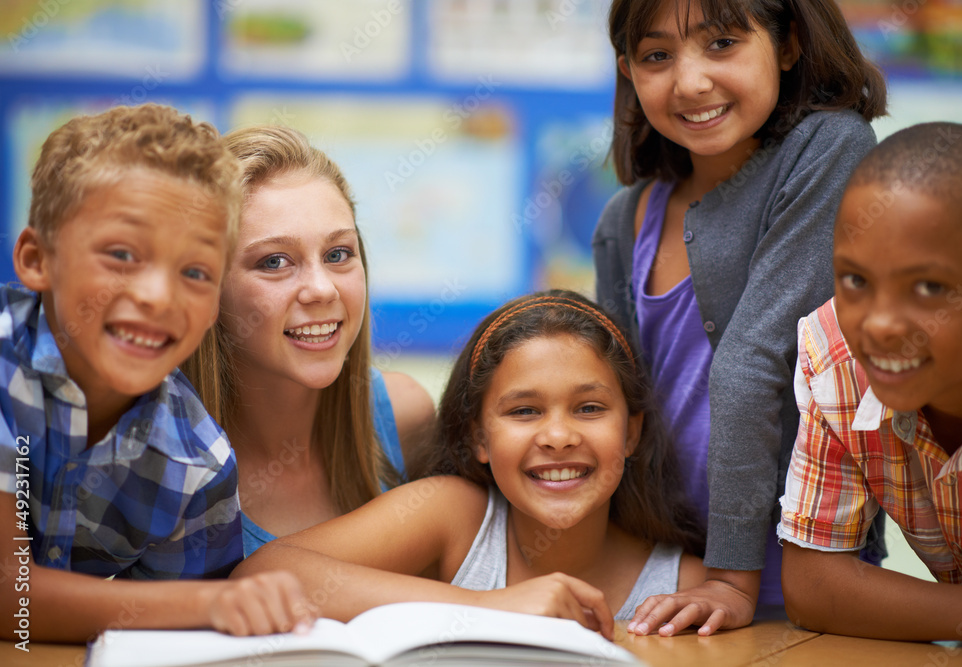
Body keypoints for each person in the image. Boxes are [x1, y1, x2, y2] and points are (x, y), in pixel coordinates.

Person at [592, 0, 888, 636]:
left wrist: (729, 577)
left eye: (722, 43)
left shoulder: (829, 148)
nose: (690, 81)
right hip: (665, 581)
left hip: (796, 571)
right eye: (656, 56)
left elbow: (753, 357)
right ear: (629, 71)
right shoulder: (628, 217)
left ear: (786, 46)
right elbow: (613, 404)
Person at [0, 104, 314, 643]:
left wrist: (211, 609)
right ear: (36, 259)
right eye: (122, 254)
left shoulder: (198, 465)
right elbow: (11, 594)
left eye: (194, 271)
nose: (157, 296)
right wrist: (207, 602)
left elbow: (176, 648)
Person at [231, 290, 706, 638]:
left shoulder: (682, 589)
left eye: (589, 408)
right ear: (478, 436)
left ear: (631, 432)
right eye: (524, 411)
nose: (559, 437)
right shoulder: (454, 514)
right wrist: (490, 608)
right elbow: (260, 576)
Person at [779, 122, 962, 641]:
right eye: (855, 280)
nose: (878, 324)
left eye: (928, 287)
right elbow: (814, 587)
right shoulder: (836, 361)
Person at [182, 125, 435, 557]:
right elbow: (26, 599)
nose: (322, 290)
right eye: (275, 261)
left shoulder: (404, 419)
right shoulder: (157, 452)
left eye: (338, 254)